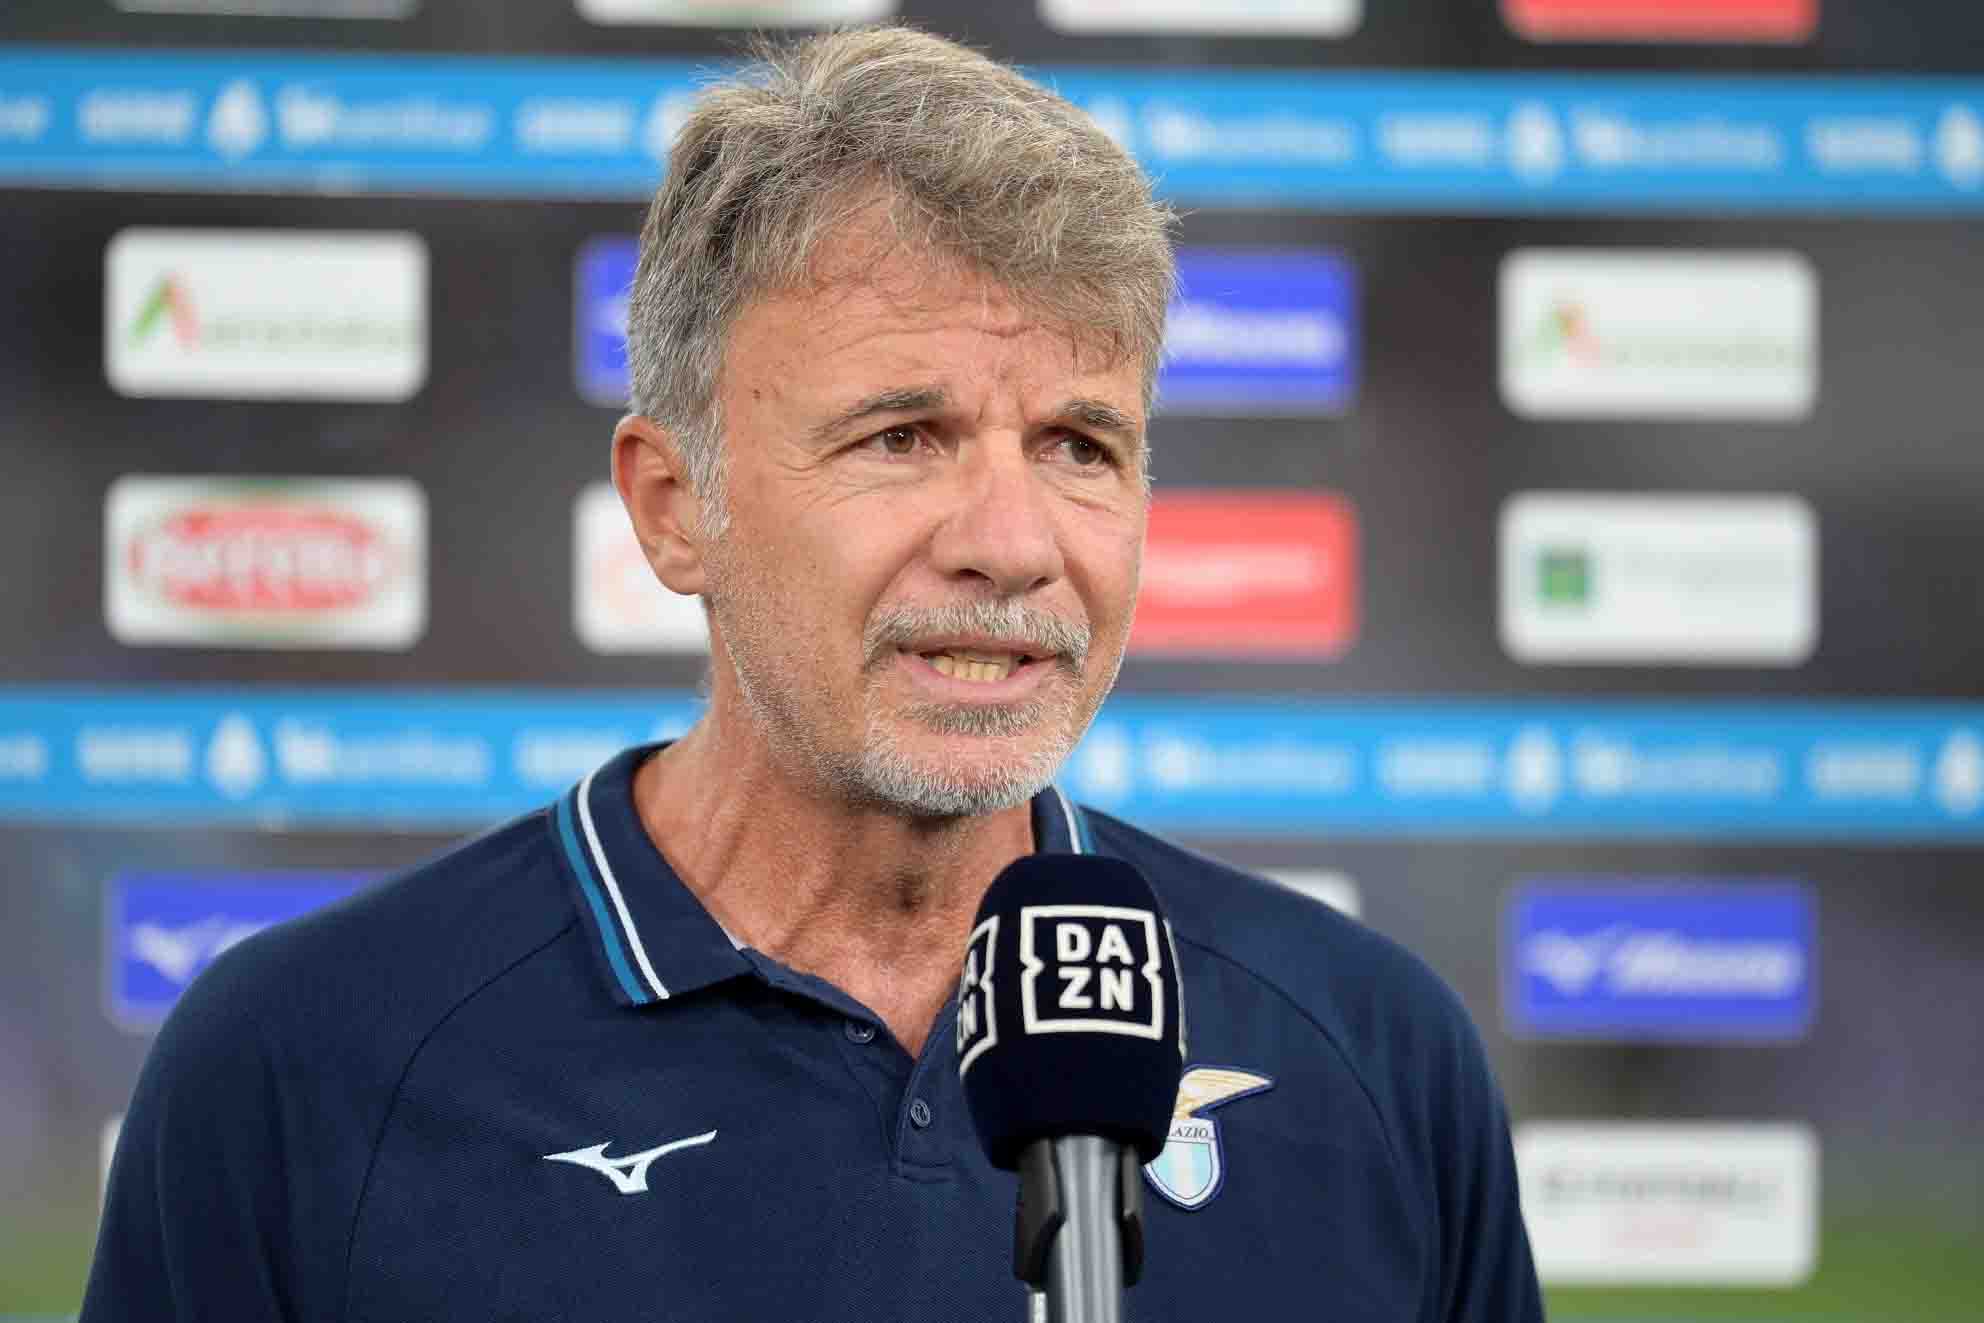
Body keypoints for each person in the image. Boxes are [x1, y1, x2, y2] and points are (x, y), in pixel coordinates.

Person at [84, 26, 1541, 1322]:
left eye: (1078, 445)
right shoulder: (300, 1066)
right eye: (900, 438)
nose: (1010, 544)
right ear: (674, 508)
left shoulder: (1376, 1056)